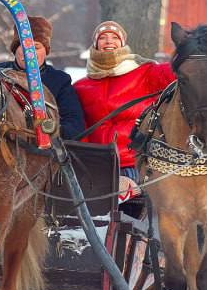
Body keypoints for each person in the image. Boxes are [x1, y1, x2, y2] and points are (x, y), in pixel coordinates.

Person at [73, 20, 175, 199]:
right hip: (96, 164)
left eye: (114, 37)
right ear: (95, 43)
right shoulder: (81, 86)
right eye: (103, 38)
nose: (109, 41)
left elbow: (179, 73)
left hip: (134, 162)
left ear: (122, 43)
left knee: (117, 195)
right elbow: (79, 126)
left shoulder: (145, 73)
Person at [0, 16, 86, 140]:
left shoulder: (59, 80)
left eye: (36, 47)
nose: (29, 53)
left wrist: (54, 129)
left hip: (42, 153)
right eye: (24, 46)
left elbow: (75, 125)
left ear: (45, 51)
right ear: (15, 49)